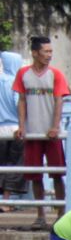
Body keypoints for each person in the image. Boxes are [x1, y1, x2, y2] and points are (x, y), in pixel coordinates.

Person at [12, 36, 70, 227]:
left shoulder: (55, 74)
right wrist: (21, 125)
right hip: (32, 132)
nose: (49, 55)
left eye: (51, 51)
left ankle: (62, 213)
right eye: (46, 51)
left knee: (57, 173)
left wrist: (54, 126)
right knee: (35, 175)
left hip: (51, 133)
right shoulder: (23, 74)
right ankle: (40, 215)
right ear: (35, 53)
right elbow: (21, 100)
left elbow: (59, 101)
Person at [0, 51, 26, 210]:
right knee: (15, 163)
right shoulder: (17, 83)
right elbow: (20, 104)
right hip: (16, 128)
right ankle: (7, 201)